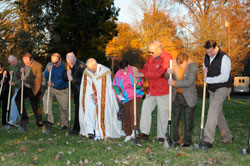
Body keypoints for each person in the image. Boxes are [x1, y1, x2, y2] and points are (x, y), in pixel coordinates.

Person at [133, 40, 172, 142]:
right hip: (151, 89)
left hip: (163, 90)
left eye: (152, 52)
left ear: (159, 49)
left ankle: (161, 136)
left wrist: (142, 75)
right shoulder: (151, 58)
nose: (150, 54)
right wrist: (137, 71)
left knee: (162, 113)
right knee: (145, 108)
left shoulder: (167, 57)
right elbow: (146, 71)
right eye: (149, 52)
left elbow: (159, 74)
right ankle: (144, 132)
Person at [200, 40, 233, 149]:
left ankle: (208, 140)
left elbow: (224, 77)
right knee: (218, 114)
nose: (209, 54)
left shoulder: (224, 58)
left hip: (223, 87)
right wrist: (204, 70)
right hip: (212, 89)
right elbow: (205, 68)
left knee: (212, 110)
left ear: (216, 47)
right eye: (207, 52)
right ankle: (228, 137)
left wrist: (208, 79)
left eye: (211, 52)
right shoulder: (206, 57)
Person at [79, 58, 123, 140]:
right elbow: (87, 85)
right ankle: (90, 131)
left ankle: (100, 131)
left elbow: (106, 88)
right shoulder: (87, 71)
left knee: (102, 111)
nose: (91, 71)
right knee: (89, 110)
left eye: (92, 69)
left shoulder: (105, 72)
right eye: (89, 69)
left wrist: (98, 96)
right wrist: (92, 94)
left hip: (103, 96)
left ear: (96, 65)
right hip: (90, 95)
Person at [165, 53, 198, 147]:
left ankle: (187, 140)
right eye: (179, 64)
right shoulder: (173, 64)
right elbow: (166, 76)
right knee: (176, 119)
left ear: (187, 61)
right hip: (177, 96)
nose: (180, 66)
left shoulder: (193, 67)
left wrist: (174, 83)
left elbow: (189, 82)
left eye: (182, 64)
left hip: (189, 96)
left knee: (188, 119)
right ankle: (176, 140)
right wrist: (168, 72)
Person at [112, 59, 144, 142]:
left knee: (132, 110)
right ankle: (128, 133)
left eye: (124, 69)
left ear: (127, 66)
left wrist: (137, 83)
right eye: (120, 69)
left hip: (136, 94)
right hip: (125, 97)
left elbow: (141, 83)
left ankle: (135, 130)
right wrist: (119, 93)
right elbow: (115, 85)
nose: (122, 71)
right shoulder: (118, 73)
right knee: (126, 114)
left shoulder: (133, 70)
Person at [15, 53, 43, 127]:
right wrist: (21, 73)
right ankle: (24, 119)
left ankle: (39, 121)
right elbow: (16, 75)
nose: (26, 64)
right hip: (24, 87)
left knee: (35, 105)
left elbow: (38, 80)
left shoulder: (38, 66)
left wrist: (26, 79)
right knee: (17, 99)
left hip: (34, 88)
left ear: (31, 59)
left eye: (27, 62)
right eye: (24, 62)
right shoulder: (21, 64)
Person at [43, 53, 69, 130]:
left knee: (63, 108)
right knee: (45, 99)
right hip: (52, 89)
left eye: (56, 62)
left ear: (60, 59)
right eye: (53, 62)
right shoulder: (51, 66)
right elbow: (46, 75)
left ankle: (65, 124)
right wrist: (48, 70)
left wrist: (54, 83)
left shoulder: (65, 67)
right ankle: (50, 120)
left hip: (62, 90)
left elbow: (65, 79)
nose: (55, 64)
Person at [62, 52, 85, 135]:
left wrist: (73, 79)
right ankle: (77, 128)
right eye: (68, 61)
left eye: (71, 61)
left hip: (82, 91)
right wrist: (66, 75)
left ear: (75, 58)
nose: (70, 63)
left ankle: (77, 129)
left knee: (79, 109)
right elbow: (64, 78)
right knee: (77, 109)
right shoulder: (67, 65)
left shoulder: (81, 65)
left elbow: (84, 79)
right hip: (75, 91)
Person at [7, 55, 23, 127]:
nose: (12, 64)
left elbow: (24, 78)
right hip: (16, 88)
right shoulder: (11, 67)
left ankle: (13, 120)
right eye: (10, 63)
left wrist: (15, 83)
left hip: (23, 87)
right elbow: (11, 78)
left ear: (16, 59)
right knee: (19, 103)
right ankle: (21, 120)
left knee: (14, 100)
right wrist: (9, 78)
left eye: (12, 62)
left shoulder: (21, 65)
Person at [0, 62, 10, 129]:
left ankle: (5, 121)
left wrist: (6, 78)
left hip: (5, 92)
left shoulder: (7, 73)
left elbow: (10, 80)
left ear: (3, 68)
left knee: (5, 107)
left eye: (0, 69)